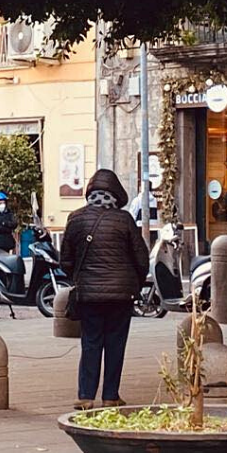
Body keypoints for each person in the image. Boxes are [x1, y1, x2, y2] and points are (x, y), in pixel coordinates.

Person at [61, 169, 149, 410]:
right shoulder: (124, 220)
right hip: (121, 294)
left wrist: (81, 279)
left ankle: (86, 396)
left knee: (90, 342)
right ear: (116, 194)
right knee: (115, 343)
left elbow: (66, 260)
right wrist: (135, 283)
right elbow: (141, 258)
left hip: (89, 294)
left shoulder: (76, 218)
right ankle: (110, 395)